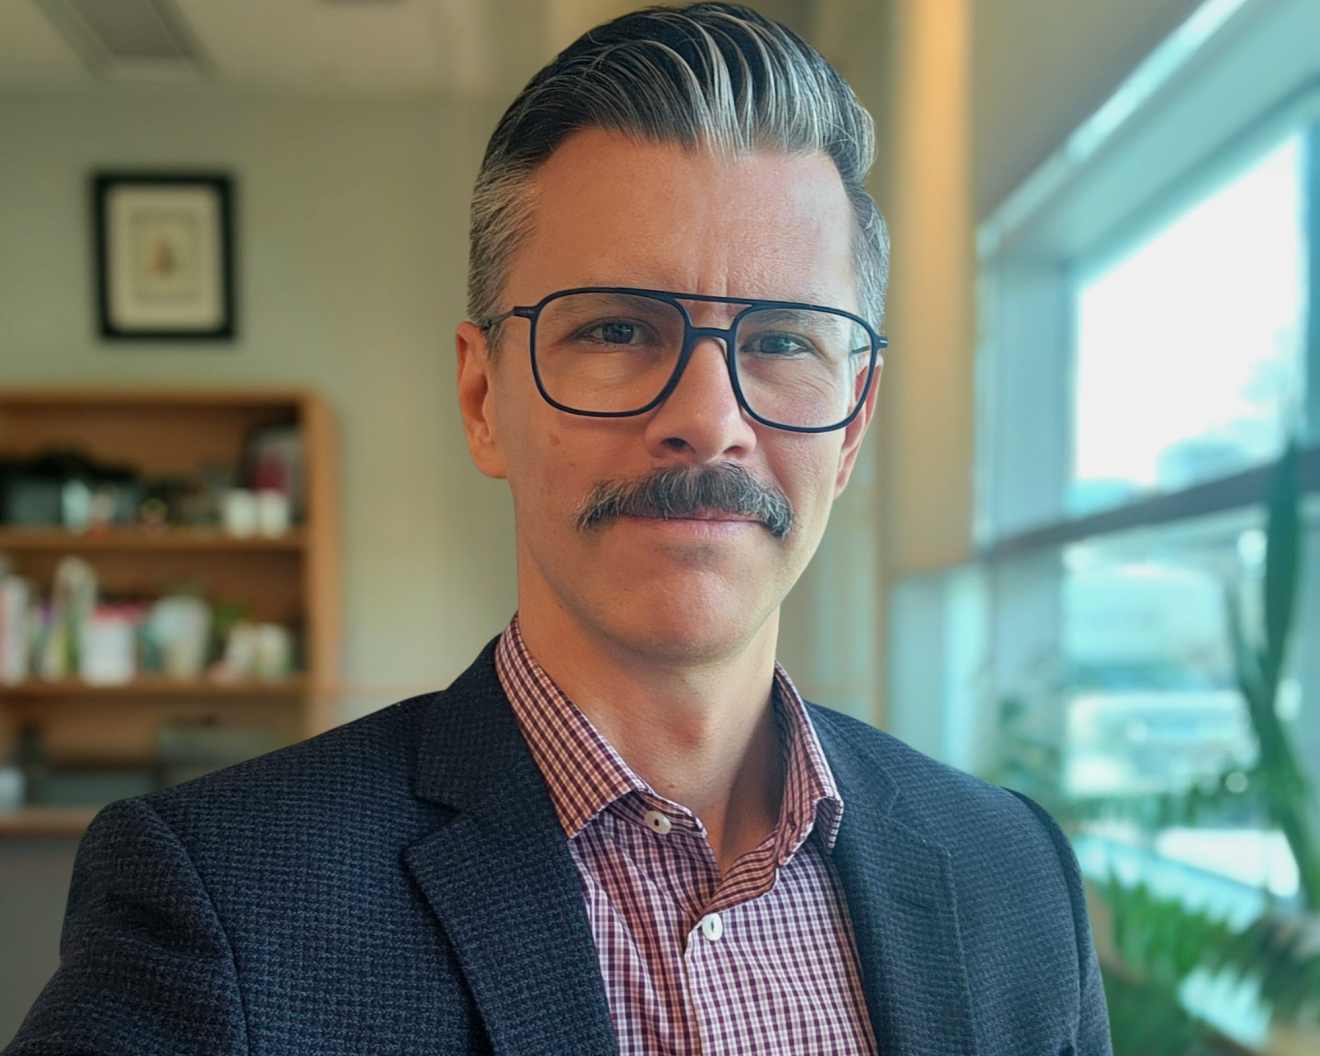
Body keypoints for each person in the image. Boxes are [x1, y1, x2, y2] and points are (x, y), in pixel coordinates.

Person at [6, 5, 1111, 1055]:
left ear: (854, 423)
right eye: (620, 328)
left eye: (782, 341)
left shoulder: (1014, 876)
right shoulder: (223, 898)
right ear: (486, 400)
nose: (709, 421)